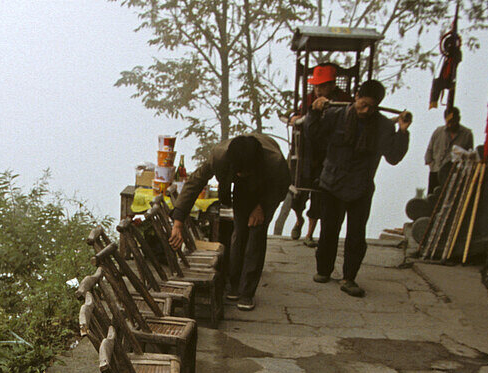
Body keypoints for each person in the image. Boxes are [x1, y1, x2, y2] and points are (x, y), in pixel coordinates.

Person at [304, 79, 411, 298]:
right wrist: (314, 111)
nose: (366, 110)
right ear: (356, 98)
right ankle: (323, 270)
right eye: (363, 104)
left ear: (378, 105)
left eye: (372, 107)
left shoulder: (383, 126)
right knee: (329, 230)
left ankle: (349, 278)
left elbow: (393, 157)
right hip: (332, 182)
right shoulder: (335, 115)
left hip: (361, 187)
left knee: (356, 235)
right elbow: (312, 135)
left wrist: (402, 131)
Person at [170, 134, 289, 311]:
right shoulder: (220, 155)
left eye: (244, 171)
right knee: (239, 231)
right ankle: (234, 284)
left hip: (267, 189)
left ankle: (247, 292)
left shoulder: (275, 162)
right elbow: (196, 181)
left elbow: (281, 187)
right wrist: (178, 221)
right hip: (242, 188)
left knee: (256, 233)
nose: (241, 173)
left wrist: (261, 207)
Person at [288, 64, 353, 246]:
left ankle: (309, 233)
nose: (318, 90)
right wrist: (296, 118)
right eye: (316, 86)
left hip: (329, 152)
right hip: (307, 152)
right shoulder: (309, 99)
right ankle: (299, 218)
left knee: (319, 194)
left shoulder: (343, 99)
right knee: (298, 192)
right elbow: (297, 115)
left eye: (322, 86)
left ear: (332, 85)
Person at [425, 106, 474, 193]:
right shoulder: (438, 132)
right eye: (448, 122)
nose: (450, 125)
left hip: (455, 177)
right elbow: (429, 152)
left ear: (458, 119)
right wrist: (433, 166)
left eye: (453, 122)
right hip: (435, 173)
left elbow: (470, 157)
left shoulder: (467, 134)